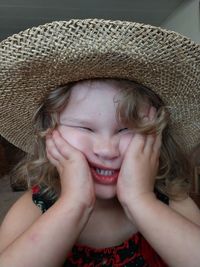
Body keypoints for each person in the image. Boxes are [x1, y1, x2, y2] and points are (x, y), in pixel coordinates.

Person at [0, 19, 200, 267]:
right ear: (47, 131)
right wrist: (75, 203)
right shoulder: (34, 207)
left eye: (128, 129)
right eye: (84, 127)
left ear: (155, 134)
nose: (107, 149)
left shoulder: (173, 201)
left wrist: (140, 200)